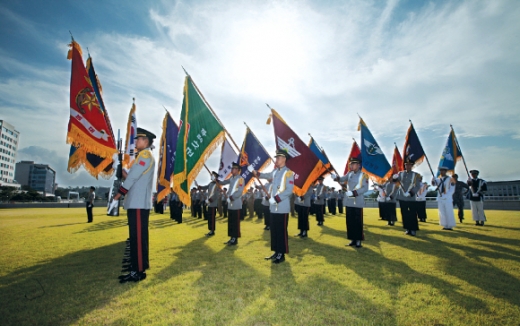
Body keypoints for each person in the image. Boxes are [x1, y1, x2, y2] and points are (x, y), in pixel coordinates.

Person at [112, 127, 155, 283]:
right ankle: (138, 267)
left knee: (137, 237)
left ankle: (137, 271)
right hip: (136, 203)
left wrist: (120, 193)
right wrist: (118, 165)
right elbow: (130, 175)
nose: (136, 141)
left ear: (146, 141)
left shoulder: (145, 155)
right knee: (137, 237)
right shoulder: (141, 157)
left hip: (138, 203)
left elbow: (131, 178)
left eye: (138, 139)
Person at [253, 149, 295, 264]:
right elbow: (266, 175)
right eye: (276, 157)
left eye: (278, 158)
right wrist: (257, 173)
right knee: (274, 231)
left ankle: (281, 254)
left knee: (281, 231)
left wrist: (276, 198)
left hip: (282, 207)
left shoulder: (289, 173)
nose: (276, 160)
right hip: (273, 208)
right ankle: (276, 251)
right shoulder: (275, 172)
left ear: (284, 159)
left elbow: (289, 191)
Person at [333, 156, 369, 248]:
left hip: (357, 201)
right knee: (350, 222)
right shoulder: (349, 174)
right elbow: (342, 179)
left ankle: (358, 240)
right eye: (351, 164)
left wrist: (354, 193)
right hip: (349, 201)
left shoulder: (363, 175)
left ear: (358, 165)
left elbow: (365, 188)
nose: (351, 166)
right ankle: (352, 239)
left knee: (358, 222)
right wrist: (336, 177)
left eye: (353, 164)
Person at [217, 162, 244, 245]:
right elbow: (224, 182)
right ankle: (231, 237)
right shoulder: (231, 178)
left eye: (233, 168)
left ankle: (235, 239)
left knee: (235, 222)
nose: (231, 170)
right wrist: (217, 180)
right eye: (232, 168)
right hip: (230, 203)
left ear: (238, 170)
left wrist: (231, 198)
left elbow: (239, 191)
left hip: (235, 203)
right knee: (231, 222)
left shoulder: (240, 179)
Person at [393, 158, 421, 236]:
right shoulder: (401, 173)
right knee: (404, 213)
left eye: (409, 165)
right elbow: (396, 182)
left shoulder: (415, 175)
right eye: (406, 165)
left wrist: (411, 193)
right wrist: (395, 178)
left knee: (412, 214)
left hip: (411, 198)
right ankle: (407, 228)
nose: (407, 166)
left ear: (412, 166)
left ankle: (413, 229)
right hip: (402, 197)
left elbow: (417, 186)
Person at [198, 171, 221, 236]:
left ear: (215, 177)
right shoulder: (211, 183)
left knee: (212, 217)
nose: (211, 176)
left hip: (213, 203)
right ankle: (210, 230)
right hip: (210, 203)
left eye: (213, 175)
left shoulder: (217, 184)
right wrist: (200, 187)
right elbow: (206, 187)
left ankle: (212, 231)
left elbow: (216, 194)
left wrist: (210, 200)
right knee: (209, 217)